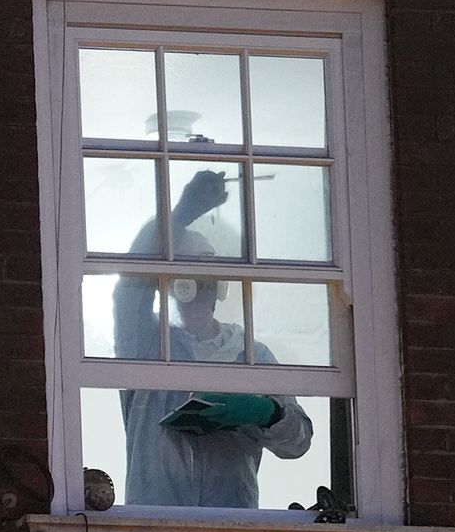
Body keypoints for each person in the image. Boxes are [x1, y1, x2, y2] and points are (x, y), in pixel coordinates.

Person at [112, 168, 312, 508]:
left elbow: (298, 442)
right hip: (156, 521)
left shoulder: (250, 354)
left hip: (232, 524)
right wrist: (181, 214)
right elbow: (130, 288)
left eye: (208, 275)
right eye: (189, 272)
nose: (200, 286)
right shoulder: (147, 343)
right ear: (173, 283)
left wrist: (267, 412)